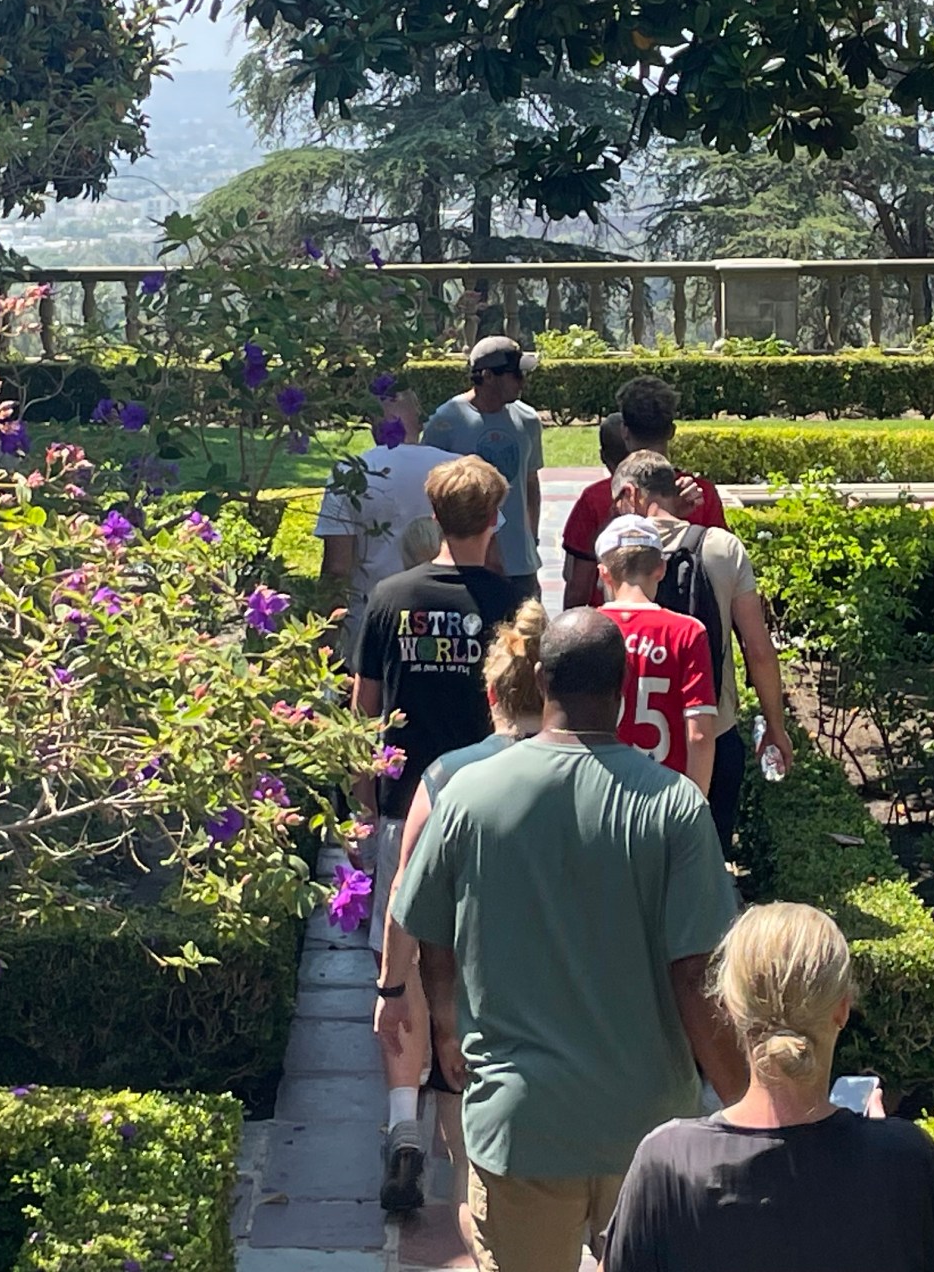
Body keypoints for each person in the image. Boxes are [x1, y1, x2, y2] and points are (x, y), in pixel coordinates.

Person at [392, 609, 747, 1272]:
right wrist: (746, 1104)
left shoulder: (468, 796)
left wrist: (444, 1020)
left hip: (521, 1125)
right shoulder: (674, 807)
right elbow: (696, 978)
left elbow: (427, 927)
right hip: (650, 1133)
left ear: (541, 679)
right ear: (625, 682)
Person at [604, 903, 934, 1272]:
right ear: (841, 1009)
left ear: (728, 1007)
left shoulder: (668, 1164)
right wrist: (884, 1151)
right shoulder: (909, 1162)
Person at [353, 457, 524, 1200]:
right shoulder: (518, 602)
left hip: (406, 808)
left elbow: (363, 710)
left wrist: (361, 799)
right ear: (496, 518)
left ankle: (401, 1124)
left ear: (434, 514)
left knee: (403, 967)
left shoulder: (390, 598)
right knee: (473, 971)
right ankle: (463, 1139)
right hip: (493, 808)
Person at [373, 600, 549, 1212]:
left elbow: (406, 891)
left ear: (492, 693)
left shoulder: (448, 775)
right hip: (553, 997)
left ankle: (415, 1148)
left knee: (470, 1188)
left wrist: (394, 988)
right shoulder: (588, 771)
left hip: (462, 996)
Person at [613, 450, 796, 857]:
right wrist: (775, 726)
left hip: (631, 746)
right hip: (714, 733)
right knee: (705, 871)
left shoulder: (616, 554)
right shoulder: (722, 548)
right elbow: (758, 649)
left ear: (630, 494)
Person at [562, 376, 728, 610]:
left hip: (615, 636)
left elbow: (578, 589)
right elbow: (723, 572)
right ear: (671, 431)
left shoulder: (596, 499)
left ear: (625, 431)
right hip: (688, 635)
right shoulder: (702, 495)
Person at [316, 384, 457, 657]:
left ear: (373, 423)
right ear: (417, 418)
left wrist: (327, 639)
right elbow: (488, 556)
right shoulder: (456, 470)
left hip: (371, 622)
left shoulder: (349, 474)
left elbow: (337, 567)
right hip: (444, 623)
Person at [593, 515, 717, 794]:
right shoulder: (687, 631)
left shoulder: (586, 628)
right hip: (665, 793)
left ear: (604, 573)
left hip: (602, 791)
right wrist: (695, 805)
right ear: (660, 568)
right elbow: (699, 734)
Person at [423, 337, 546, 610]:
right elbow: (432, 493)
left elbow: (530, 485)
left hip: (520, 564)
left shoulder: (527, 420)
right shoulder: (446, 423)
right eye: (515, 374)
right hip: (466, 563)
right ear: (487, 376)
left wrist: (530, 541)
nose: (522, 381)